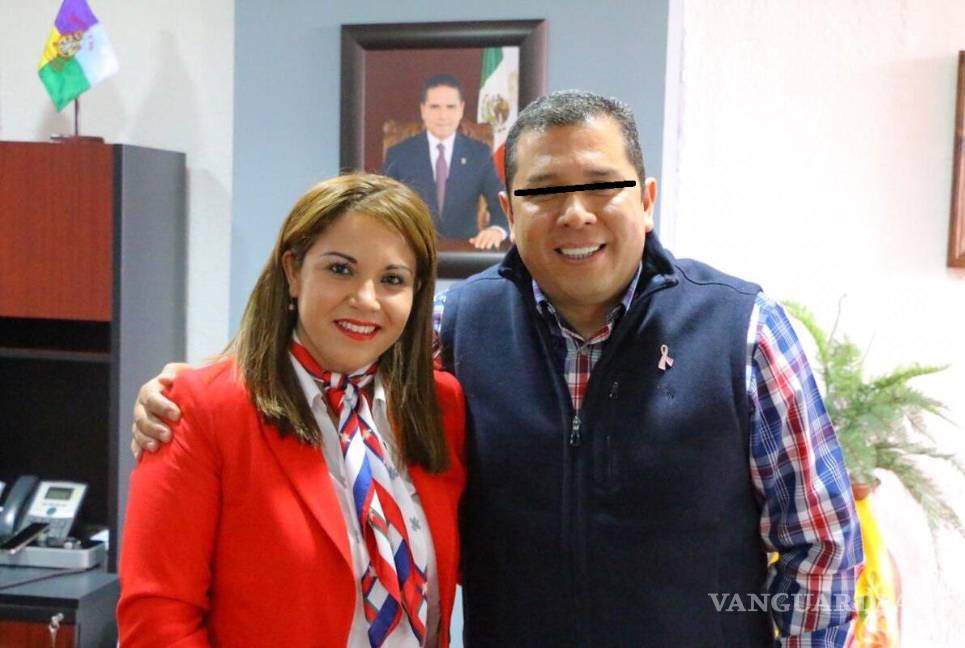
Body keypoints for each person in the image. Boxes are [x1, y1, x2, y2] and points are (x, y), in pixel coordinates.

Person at [133, 91, 863, 647]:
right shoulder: (457, 329)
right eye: (543, 191)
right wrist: (187, 391)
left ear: (646, 200)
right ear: (509, 211)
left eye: (601, 185)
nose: (574, 213)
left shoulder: (745, 332)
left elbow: (822, 548)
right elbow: (335, 365)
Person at [118, 173, 466, 648]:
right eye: (340, 269)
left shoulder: (441, 406)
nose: (365, 300)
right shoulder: (200, 409)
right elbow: (158, 620)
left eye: (392, 279)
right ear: (293, 271)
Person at [383, 74, 506, 250]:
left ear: (461, 109)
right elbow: (382, 207)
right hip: (413, 251)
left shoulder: (479, 154)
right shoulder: (399, 154)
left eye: (450, 107)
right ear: (423, 110)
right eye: (435, 107)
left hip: (464, 252)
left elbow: (500, 204)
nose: (443, 116)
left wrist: (496, 230)